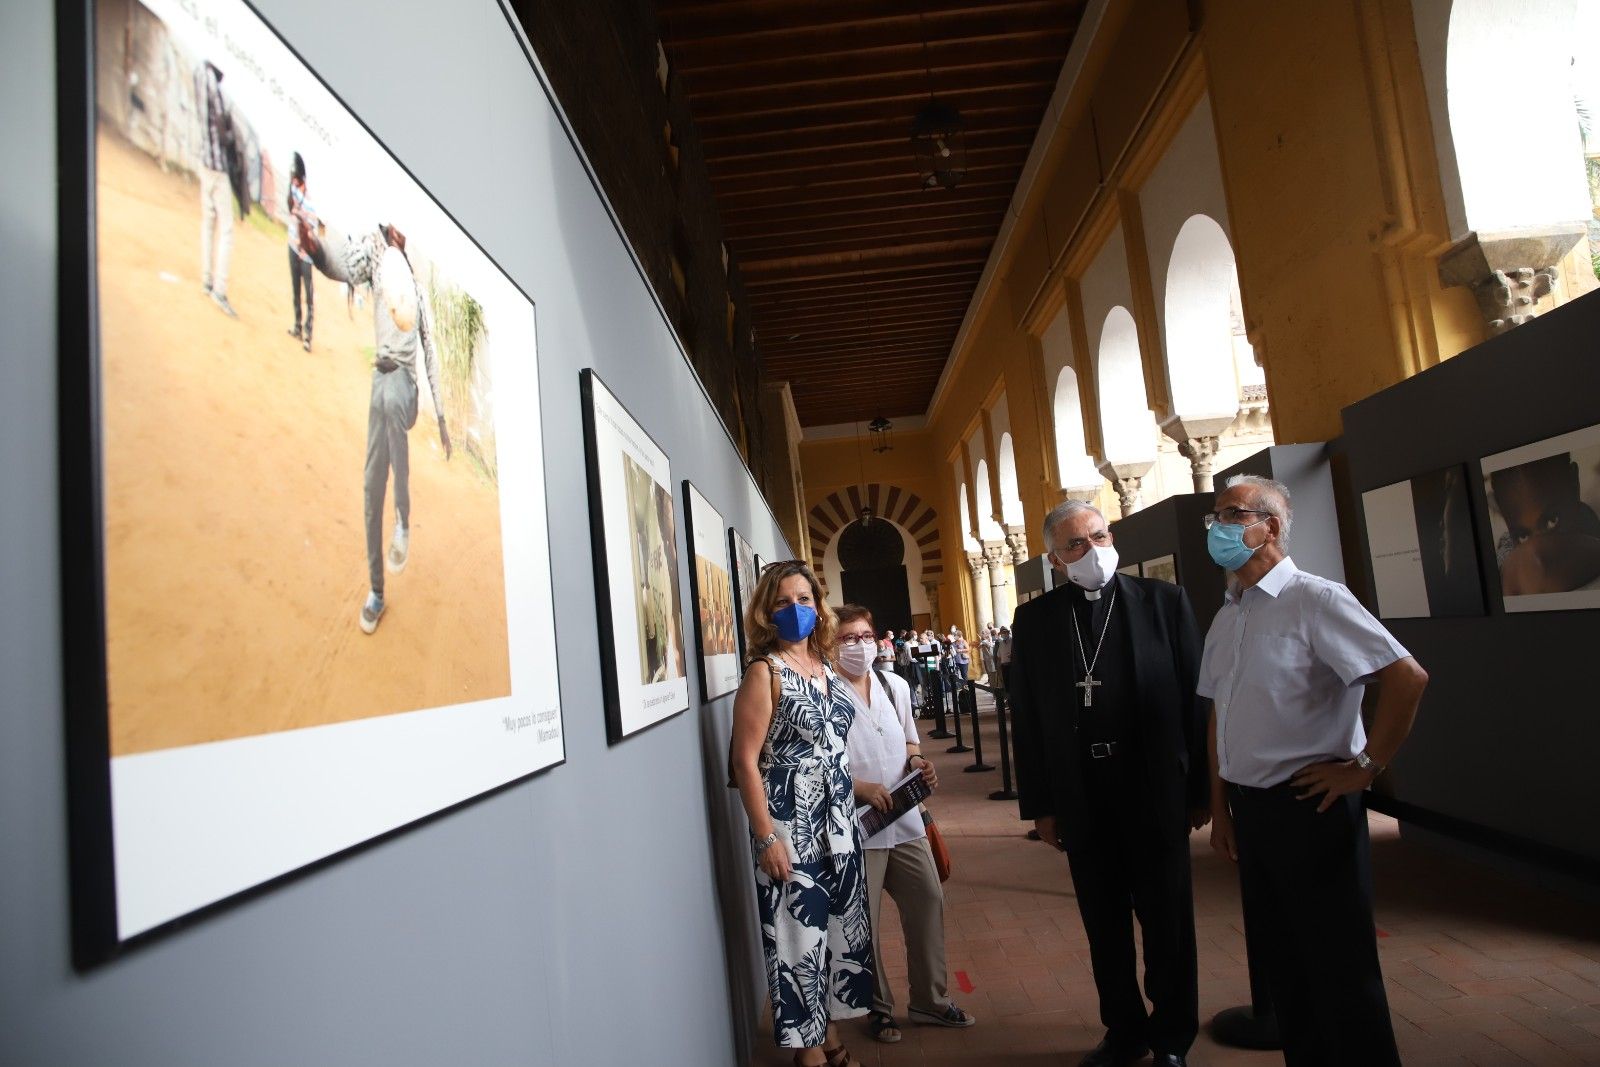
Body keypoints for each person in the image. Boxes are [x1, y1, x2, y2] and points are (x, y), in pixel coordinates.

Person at [1201, 475, 1429, 1067]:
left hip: (1312, 806)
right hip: (1252, 812)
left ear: (1269, 526)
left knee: (1340, 969)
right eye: (1214, 516)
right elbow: (1219, 715)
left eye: (1230, 514)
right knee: (1287, 970)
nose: (1216, 527)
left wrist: (1365, 768)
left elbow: (1407, 677)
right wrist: (1221, 804)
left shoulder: (1316, 599)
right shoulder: (1229, 615)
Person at [1009, 500, 1209, 1067]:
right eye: (1076, 545)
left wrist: (1197, 792)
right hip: (1083, 792)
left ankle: (1172, 1037)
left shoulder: (1162, 603)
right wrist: (1041, 806)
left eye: (1099, 537)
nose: (1092, 551)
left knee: (1168, 919)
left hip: (1153, 789)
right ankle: (1124, 1031)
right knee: (1103, 922)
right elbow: (1027, 718)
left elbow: (1195, 698)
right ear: (1054, 559)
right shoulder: (1039, 620)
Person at [729, 562, 873, 1065]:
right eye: (784, 602)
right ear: (767, 611)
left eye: (804, 600)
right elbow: (744, 761)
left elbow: (830, 748)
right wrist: (766, 837)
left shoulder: (827, 665)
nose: (796, 610)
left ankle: (828, 1037)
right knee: (797, 942)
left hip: (839, 826)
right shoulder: (764, 671)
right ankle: (807, 1055)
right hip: (792, 827)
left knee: (832, 937)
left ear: (819, 604)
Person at [835, 604, 975, 1045]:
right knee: (867, 920)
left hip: (905, 818)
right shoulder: (825, 694)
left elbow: (910, 738)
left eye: (866, 635)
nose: (861, 645)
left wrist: (918, 761)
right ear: (831, 645)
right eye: (848, 638)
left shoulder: (892, 684)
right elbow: (820, 763)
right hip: (860, 825)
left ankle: (930, 1000)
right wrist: (859, 787)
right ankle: (878, 1008)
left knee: (927, 900)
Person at [354, 228, 453, 633]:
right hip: (381, 382)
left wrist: (443, 418)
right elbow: (354, 262)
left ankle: (404, 522)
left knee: (395, 404)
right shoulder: (379, 270)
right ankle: (377, 592)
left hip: (404, 390)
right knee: (370, 489)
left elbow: (430, 353)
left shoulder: (417, 293)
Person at [194, 59, 241, 318]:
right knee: (227, 229)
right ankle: (219, 291)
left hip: (203, 162)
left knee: (208, 222)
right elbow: (224, 135)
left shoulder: (197, 73)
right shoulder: (217, 88)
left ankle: (206, 280)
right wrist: (233, 136)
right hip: (218, 167)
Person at [285, 151, 315, 352]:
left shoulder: (310, 201)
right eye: (291, 179)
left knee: (308, 295)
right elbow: (289, 207)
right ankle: (297, 326)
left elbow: (313, 229)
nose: (293, 182)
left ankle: (307, 335)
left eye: (295, 179)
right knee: (296, 291)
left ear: (302, 178)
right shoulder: (292, 192)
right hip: (292, 247)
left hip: (306, 255)